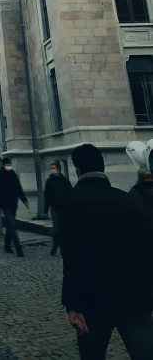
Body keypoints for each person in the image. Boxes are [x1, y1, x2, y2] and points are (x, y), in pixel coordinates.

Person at [61, 143, 153, 359]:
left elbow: (72, 259)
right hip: (134, 298)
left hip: (92, 302)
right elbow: (146, 250)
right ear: (102, 168)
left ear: (77, 170)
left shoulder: (70, 205)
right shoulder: (128, 200)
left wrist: (72, 305)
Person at [0, 157, 29, 257]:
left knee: (10, 225)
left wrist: (24, 200)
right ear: (3, 165)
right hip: (4, 205)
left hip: (13, 203)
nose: (9, 166)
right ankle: (19, 248)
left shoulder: (13, 174)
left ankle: (7, 246)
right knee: (12, 225)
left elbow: (18, 188)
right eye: (7, 164)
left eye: (10, 164)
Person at [44, 161, 72, 256]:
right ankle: (55, 246)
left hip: (65, 207)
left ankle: (65, 247)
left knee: (64, 228)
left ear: (59, 169)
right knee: (56, 229)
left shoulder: (65, 181)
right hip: (54, 207)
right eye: (51, 168)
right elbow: (46, 195)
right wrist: (45, 209)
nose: (52, 170)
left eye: (54, 168)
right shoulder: (49, 181)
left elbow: (70, 193)